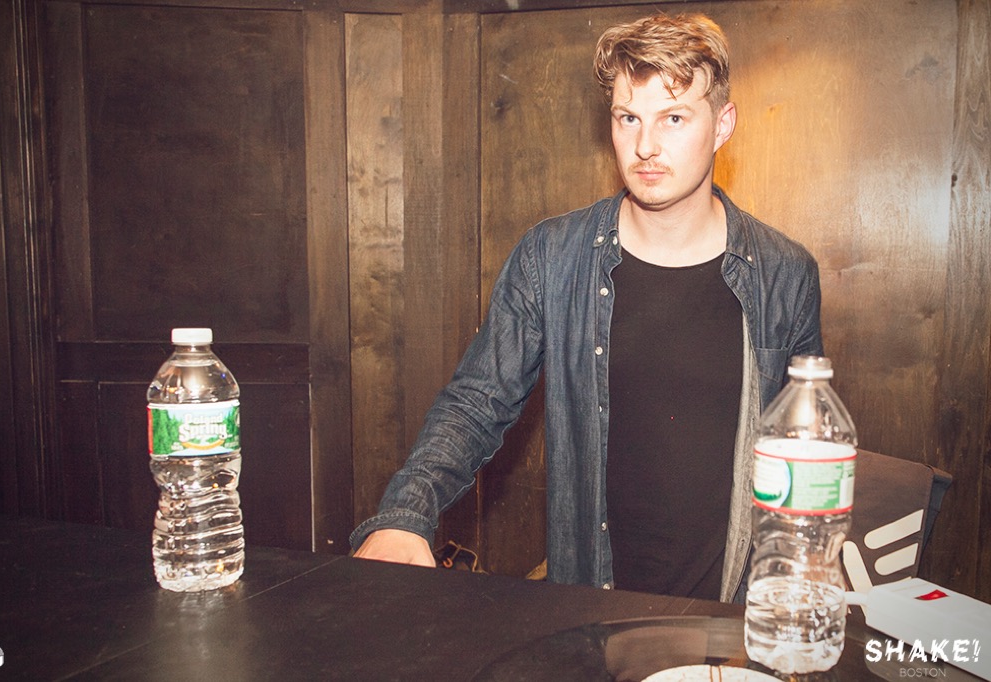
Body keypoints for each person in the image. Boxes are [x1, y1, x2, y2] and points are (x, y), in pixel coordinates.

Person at [350, 13, 823, 602]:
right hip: (590, 613)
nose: (646, 146)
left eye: (674, 118)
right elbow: (477, 401)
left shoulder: (785, 274)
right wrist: (405, 513)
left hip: (732, 617)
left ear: (722, 124)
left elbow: (806, 453)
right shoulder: (551, 257)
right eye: (629, 118)